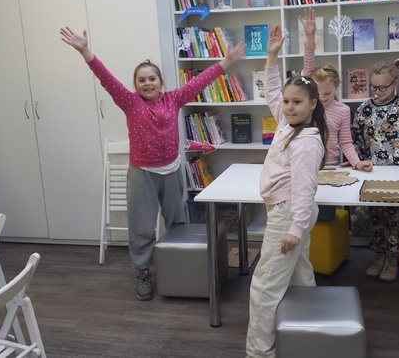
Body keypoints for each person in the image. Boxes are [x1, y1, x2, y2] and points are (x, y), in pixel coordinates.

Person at [60, 26, 245, 301]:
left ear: (161, 82)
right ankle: (143, 271)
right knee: (142, 227)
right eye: (141, 80)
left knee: (178, 223)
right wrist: (85, 51)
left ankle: (178, 265)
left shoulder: (174, 99)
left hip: (172, 170)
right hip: (142, 174)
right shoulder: (129, 102)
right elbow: (105, 78)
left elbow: (200, 82)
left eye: (152, 79)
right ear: (136, 84)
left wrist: (226, 62)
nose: (147, 83)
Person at [245, 24, 328, 358]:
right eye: (287, 102)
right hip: (287, 212)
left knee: (264, 286)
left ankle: (258, 353)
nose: (289, 106)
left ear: (312, 105)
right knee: (299, 274)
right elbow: (272, 90)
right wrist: (271, 56)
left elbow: (305, 189)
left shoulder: (306, 141)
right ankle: (309, 336)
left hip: (289, 213)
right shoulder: (286, 122)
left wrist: (295, 228)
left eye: (297, 102)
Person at [351, 58, 399, 282]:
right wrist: (357, 161)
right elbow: (357, 138)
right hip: (375, 172)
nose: (377, 92)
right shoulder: (365, 108)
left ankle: (392, 258)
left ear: (395, 84)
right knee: (376, 216)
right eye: (374, 87)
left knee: (397, 216)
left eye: (382, 87)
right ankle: (380, 255)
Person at [299, 7, 372, 174]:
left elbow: (345, 142)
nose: (323, 98)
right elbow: (308, 65)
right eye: (318, 94)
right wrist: (310, 37)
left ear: (336, 87)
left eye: (328, 93)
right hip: (304, 163)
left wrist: (357, 163)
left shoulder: (343, 110)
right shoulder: (307, 105)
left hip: (331, 165)